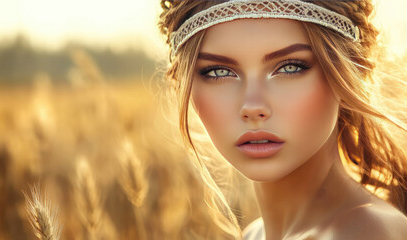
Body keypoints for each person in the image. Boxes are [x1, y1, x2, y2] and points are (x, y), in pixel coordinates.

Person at [158, 0, 407, 239]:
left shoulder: (372, 234)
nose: (253, 107)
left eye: (290, 67)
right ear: (185, 82)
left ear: (350, 69)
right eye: (219, 72)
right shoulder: (252, 235)